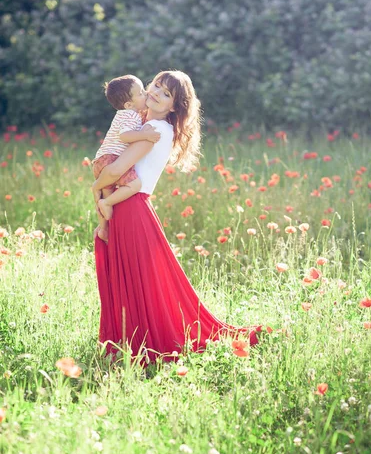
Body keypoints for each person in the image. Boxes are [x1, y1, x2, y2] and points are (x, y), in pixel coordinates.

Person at [93, 70, 262, 363]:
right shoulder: (143, 122)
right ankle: (127, 343)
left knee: (140, 283)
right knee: (134, 281)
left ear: (174, 106)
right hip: (125, 206)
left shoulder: (155, 130)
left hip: (132, 209)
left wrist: (95, 187)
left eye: (167, 93)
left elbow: (114, 171)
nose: (157, 92)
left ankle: (141, 344)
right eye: (156, 85)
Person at [92, 74, 161, 242]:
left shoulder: (122, 115)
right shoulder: (130, 115)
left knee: (106, 193)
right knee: (135, 185)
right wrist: (144, 134)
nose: (145, 94)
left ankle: (103, 228)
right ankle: (105, 206)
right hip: (112, 158)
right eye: (141, 93)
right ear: (129, 104)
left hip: (100, 160)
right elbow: (125, 136)